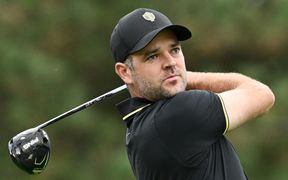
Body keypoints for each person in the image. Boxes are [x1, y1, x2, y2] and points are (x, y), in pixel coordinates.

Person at [109, 8, 275, 180]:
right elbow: (262, 95)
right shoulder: (180, 113)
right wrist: (187, 77)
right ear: (125, 72)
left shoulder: (137, 130)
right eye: (152, 56)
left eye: (174, 50)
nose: (171, 62)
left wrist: (176, 77)